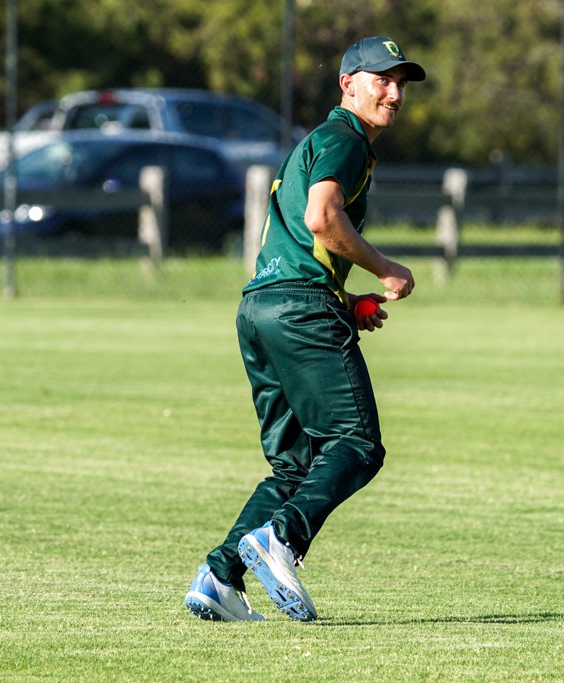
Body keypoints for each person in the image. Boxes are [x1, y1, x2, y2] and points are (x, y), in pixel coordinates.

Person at [184, 36, 426, 623]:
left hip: (261, 309)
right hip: (299, 309)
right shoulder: (345, 138)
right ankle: (282, 539)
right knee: (357, 444)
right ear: (348, 83)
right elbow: (322, 218)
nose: (393, 93)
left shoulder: (316, 143)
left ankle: (219, 577)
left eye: (401, 83)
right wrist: (386, 267)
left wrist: (347, 301)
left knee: (294, 465)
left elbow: (297, 241)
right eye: (381, 80)